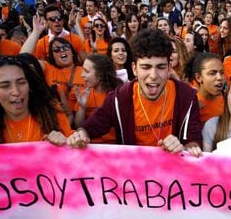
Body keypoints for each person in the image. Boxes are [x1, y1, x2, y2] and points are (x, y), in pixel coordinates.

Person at [67, 28, 202, 156]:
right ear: (134, 69)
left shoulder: (186, 96)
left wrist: (183, 148)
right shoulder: (119, 98)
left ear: (169, 68)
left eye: (160, 67)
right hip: (133, 175)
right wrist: (80, 135)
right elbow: (90, 127)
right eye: (146, 67)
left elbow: (194, 141)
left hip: (171, 174)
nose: (153, 75)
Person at [0, 55, 71, 145]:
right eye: (5, 86)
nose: (16, 92)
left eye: (21, 82)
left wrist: (66, 143)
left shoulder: (53, 115)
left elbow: (74, 151)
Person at [74, 54, 122, 143]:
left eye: (86, 71)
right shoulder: (84, 94)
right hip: (89, 144)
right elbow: (78, 127)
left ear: (100, 74)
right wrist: (82, 107)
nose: (81, 75)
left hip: (114, 146)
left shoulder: (118, 94)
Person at [192, 53, 225, 124]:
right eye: (212, 73)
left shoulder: (228, 99)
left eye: (222, 72)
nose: (219, 77)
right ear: (199, 78)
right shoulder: (192, 106)